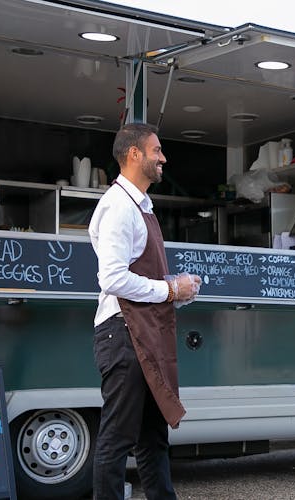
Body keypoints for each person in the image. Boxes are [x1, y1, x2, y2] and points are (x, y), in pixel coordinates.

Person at [89, 122, 201, 500]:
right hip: (122, 335)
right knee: (117, 439)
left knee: (153, 438)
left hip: (141, 334)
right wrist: (170, 288)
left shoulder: (140, 205)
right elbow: (113, 279)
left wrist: (178, 289)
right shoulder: (120, 206)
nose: (163, 158)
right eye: (157, 151)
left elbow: (136, 273)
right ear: (134, 155)